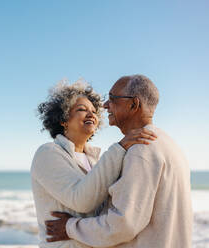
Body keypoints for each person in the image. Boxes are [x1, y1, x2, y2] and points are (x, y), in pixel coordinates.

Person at [45, 75, 193, 248]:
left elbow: (122, 225)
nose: (105, 105)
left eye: (113, 99)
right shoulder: (169, 144)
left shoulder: (141, 149)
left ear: (134, 104)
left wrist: (69, 227)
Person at [31, 80, 157, 248]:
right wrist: (119, 148)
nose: (91, 114)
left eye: (94, 111)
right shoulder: (48, 153)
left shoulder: (95, 160)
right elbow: (82, 201)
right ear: (63, 119)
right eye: (82, 110)